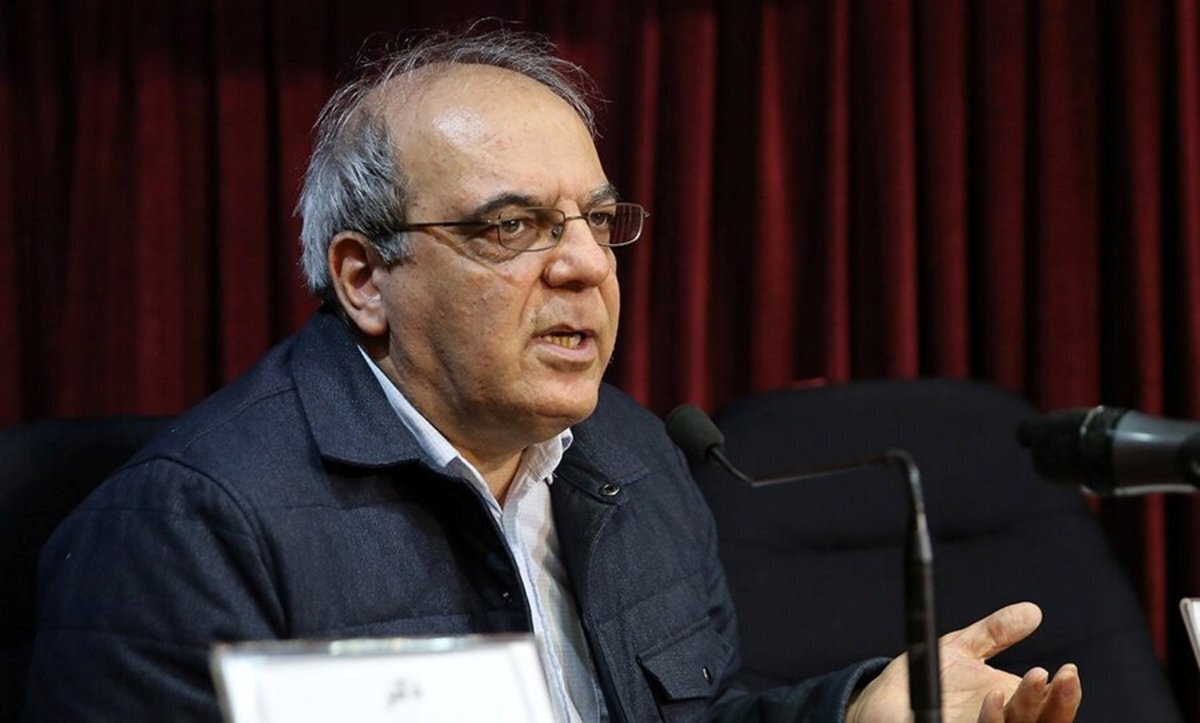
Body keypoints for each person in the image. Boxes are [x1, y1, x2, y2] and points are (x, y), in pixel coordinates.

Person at [25, 27, 1081, 722]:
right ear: (364, 279)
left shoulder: (630, 451)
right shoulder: (187, 529)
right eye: (513, 227)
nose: (585, 264)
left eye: (596, 220)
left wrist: (854, 709)